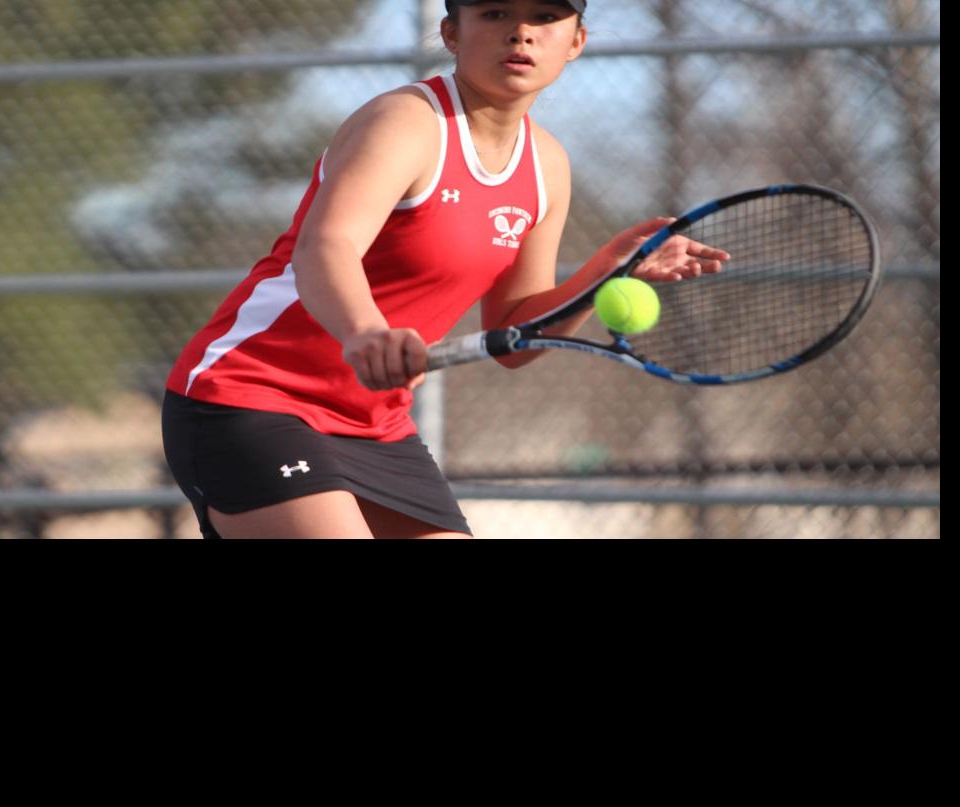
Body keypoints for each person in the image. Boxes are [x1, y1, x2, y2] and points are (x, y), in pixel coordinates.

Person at [161, 0, 727, 538]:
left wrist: (609, 268)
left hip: (377, 425)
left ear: (575, 41)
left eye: (545, 16)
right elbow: (325, 246)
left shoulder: (547, 164)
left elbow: (516, 333)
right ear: (452, 33)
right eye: (496, 13)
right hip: (250, 396)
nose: (521, 32)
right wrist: (365, 332)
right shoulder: (406, 121)